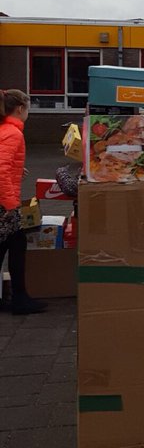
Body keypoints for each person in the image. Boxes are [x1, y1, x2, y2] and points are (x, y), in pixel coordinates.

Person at [0, 89, 47, 315]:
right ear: (20, 109)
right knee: (17, 245)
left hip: (4, 201)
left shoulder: (6, 129)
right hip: (4, 205)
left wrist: (18, 169)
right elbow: (0, 170)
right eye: (28, 107)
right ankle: (20, 299)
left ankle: (17, 296)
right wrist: (10, 205)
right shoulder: (13, 133)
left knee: (12, 245)